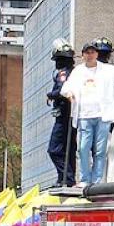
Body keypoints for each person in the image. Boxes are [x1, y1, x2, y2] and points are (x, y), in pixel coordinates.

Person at [60, 42, 114, 186]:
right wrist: (69, 93)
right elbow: (67, 86)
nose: (90, 55)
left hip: (103, 115)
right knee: (83, 148)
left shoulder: (107, 70)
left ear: (96, 54)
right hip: (84, 115)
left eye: (92, 52)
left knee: (100, 149)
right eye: (87, 53)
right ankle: (85, 179)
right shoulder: (78, 71)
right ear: (83, 55)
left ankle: (97, 180)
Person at [46, 40, 77, 187]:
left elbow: (61, 91)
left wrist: (50, 94)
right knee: (68, 149)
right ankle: (66, 179)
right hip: (73, 116)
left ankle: (66, 178)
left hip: (64, 115)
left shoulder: (64, 73)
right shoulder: (76, 72)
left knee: (54, 149)